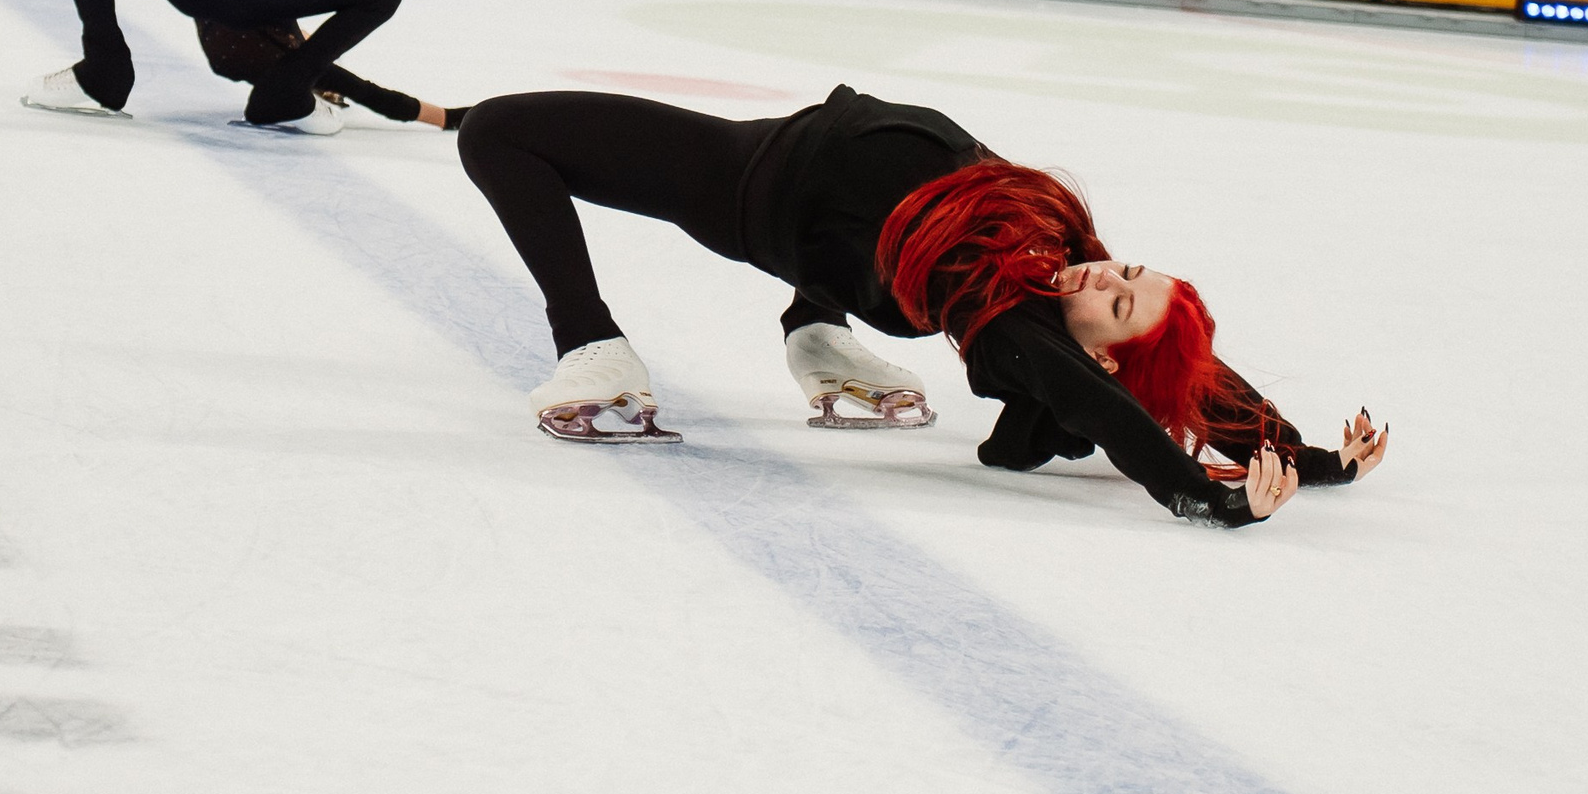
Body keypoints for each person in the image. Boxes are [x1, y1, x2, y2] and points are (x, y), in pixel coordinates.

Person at [456, 85, 1389, 527]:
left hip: (743, 182)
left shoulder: (1007, 319)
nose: (1104, 278)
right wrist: (1307, 457)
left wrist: (1199, 495)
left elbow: (1114, 407)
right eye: (1127, 272)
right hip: (813, 190)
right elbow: (1192, 374)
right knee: (881, 239)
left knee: (500, 131)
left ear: (1094, 354)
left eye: (1115, 306)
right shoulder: (1065, 248)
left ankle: (595, 347)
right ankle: (817, 336)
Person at [23, 0, 465, 132]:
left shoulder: (296, 54)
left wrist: (450, 118)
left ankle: (104, 72)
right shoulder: (303, 57)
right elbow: (379, 97)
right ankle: (105, 71)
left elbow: (372, 94)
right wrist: (449, 119)